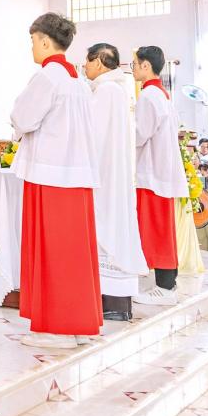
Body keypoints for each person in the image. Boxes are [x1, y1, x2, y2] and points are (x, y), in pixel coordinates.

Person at [10, 13, 101, 348]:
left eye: (33, 41)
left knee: (53, 251)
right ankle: (77, 324)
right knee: (74, 252)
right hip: (76, 174)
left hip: (51, 174)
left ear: (45, 41)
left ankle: (55, 328)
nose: (32, 47)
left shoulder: (48, 77)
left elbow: (22, 117)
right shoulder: (78, 81)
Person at [84, 43, 148, 323]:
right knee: (115, 229)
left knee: (106, 231)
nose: (84, 67)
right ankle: (117, 302)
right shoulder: (118, 89)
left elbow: (91, 133)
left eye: (87, 62)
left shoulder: (106, 91)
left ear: (99, 62)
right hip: (115, 173)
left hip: (104, 174)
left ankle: (111, 302)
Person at [131, 45, 189, 306]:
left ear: (146, 66)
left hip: (152, 172)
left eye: (134, 64)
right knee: (162, 229)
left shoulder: (148, 96)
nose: (133, 69)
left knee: (157, 230)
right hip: (161, 171)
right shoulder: (161, 94)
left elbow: (139, 135)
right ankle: (168, 282)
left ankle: (165, 287)